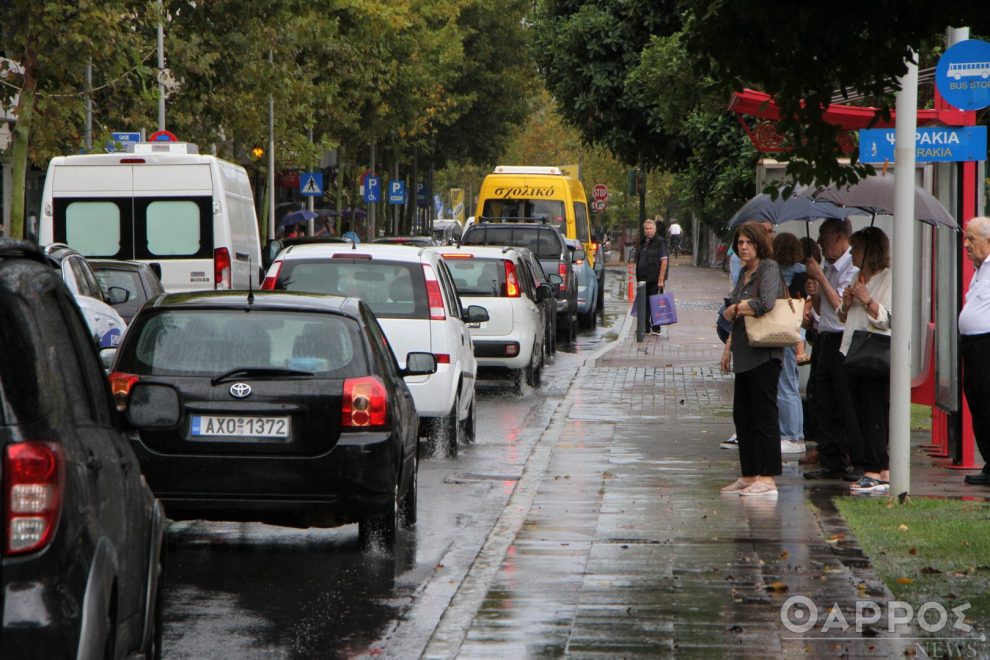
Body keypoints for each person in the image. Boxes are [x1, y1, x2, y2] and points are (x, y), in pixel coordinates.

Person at [719, 221, 785, 495]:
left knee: (764, 414)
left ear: (759, 243)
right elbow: (738, 316)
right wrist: (728, 348)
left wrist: (735, 309)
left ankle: (768, 477)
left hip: (765, 353)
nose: (743, 247)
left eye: (748, 242)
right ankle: (749, 474)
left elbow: (766, 302)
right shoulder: (744, 273)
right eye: (740, 243)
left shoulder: (768, 268)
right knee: (742, 415)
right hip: (744, 352)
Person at [802, 217, 863, 481]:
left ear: (839, 237)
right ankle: (830, 458)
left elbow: (840, 306)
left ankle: (855, 457)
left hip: (843, 339)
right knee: (822, 399)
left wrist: (820, 279)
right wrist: (814, 294)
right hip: (824, 337)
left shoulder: (851, 266)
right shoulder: (826, 265)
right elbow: (823, 308)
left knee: (845, 401)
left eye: (824, 238)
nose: (821, 244)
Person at [838, 227, 892, 493]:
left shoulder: (887, 279)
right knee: (859, 411)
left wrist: (867, 299)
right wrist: (847, 302)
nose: (851, 254)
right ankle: (878, 466)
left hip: (873, 353)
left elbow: (887, 318)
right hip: (852, 350)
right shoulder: (856, 277)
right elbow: (842, 316)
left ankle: (875, 468)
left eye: (856, 249)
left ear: (871, 251)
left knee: (874, 412)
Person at [959, 216, 990, 486]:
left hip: (985, 345)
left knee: (987, 402)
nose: (966, 244)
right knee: (977, 403)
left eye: (972, 238)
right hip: (972, 346)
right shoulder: (979, 269)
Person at [772, 232, 806, 455]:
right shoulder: (803, 273)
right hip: (795, 330)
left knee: (784, 385)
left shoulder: (774, 273)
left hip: (778, 330)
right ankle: (795, 433)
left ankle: (791, 435)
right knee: (790, 383)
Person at [631, 219, 669, 336]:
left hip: (654, 279)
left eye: (650, 228)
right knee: (644, 303)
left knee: (655, 303)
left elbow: (664, 261)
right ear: (644, 230)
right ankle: (645, 327)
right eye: (646, 229)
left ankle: (656, 327)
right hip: (642, 279)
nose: (648, 231)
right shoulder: (643, 243)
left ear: (655, 229)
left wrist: (661, 280)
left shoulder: (660, 242)